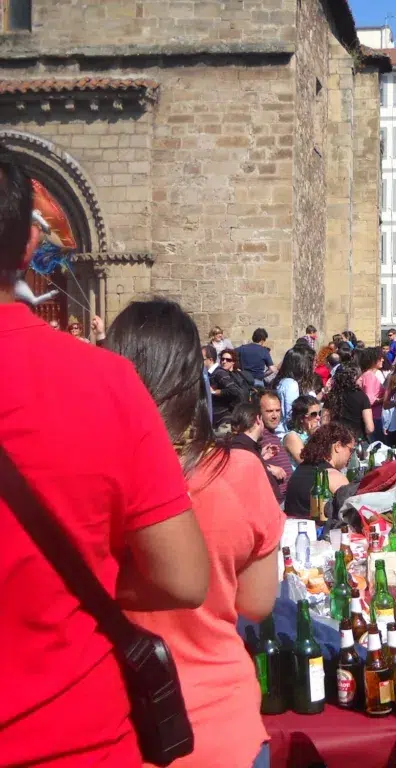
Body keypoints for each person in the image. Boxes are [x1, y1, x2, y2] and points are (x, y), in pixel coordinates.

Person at [0, 151, 209, 766]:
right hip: (80, 741)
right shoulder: (106, 384)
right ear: (30, 243)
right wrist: (83, 571)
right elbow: (183, 577)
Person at [106, 299, 283, 768]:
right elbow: (257, 603)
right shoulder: (240, 471)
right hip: (222, 724)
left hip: (120, 725)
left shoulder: (90, 478)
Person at [284, 422, 355, 518]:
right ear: (338, 446)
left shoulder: (299, 470)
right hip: (318, 527)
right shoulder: (333, 477)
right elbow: (352, 514)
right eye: (351, 450)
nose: (351, 455)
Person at [323, 363, 374, 441]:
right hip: (356, 440)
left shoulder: (331, 396)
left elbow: (324, 423)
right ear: (353, 378)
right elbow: (370, 428)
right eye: (359, 377)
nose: (361, 379)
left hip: (336, 440)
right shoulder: (362, 397)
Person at [257, 390, 292, 503]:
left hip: (287, 498)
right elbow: (244, 462)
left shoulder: (272, 434)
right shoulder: (256, 436)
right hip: (275, 501)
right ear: (259, 413)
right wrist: (269, 468)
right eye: (269, 411)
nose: (275, 416)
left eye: (277, 410)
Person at [209, 347, 251, 430]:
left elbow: (234, 391)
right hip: (236, 412)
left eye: (228, 360)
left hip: (230, 414)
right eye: (222, 359)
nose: (224, 361)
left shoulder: (224, 375)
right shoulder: (228, 374)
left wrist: (215, 392)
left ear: (233, 362)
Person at [275, 346, 317, 425]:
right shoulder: (291, 384)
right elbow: (291, 415)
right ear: (303, 364)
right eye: (314, 361)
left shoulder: (300, 383)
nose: (316, 364)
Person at [283, 395, 321, 469]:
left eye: (319, 413)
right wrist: (314, 438)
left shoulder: (314, 433)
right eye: (314, 414)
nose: (318, 417)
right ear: (301, 418)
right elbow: (306, 463)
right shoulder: (292, 436)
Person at [356, 347, 386, 442]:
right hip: (374, 417)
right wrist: (385, 399)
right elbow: (369, 400)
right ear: (373, 360)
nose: (383, 359)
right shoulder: (369, 376)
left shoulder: (365, 375)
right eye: (380, 357)